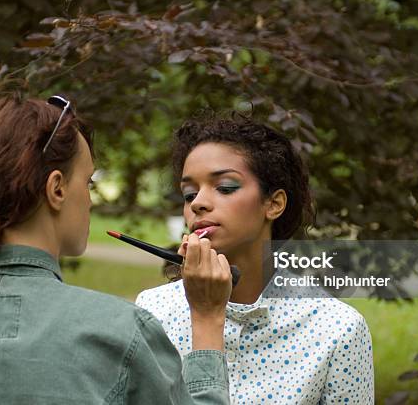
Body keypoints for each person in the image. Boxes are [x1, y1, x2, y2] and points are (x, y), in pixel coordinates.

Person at [0, 94, 233, 404]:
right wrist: (205, 319)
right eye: (87, 182)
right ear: (57, 188)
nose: (90, 199)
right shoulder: (121, 332)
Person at [136, 115, 374, 404]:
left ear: (273, 204)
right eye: (189, 194)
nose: (197, 202)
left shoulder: (337, 330)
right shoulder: (152, 312)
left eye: (224, 187)